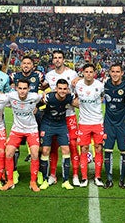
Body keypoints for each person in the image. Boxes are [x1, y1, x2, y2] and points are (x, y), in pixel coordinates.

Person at [43, 50, 80, 186]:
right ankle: (52, 175)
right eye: (55, 58)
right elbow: (44, 90)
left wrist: (80, 78)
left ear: (64, 59)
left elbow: (78, 92)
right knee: (53, 147)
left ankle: (75, 175)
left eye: (60, 57)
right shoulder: (49, 75)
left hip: (69, 115)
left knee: (73, 145)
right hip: (53, 117)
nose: (57, 60)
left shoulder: (72, 74)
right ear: (52, 60)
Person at [0, 79, 43, 192]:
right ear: (16, 88)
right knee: (8, 152)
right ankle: (9, 181)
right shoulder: (11, 96)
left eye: (25, 89)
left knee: (34, 153)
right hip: (17, 130)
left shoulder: (34, 97)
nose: (22, 91)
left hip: (31, 129)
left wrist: (38, 108)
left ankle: (33, 182)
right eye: (20, 88)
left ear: (29, 89)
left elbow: (43, 97)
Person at [38, 79, 75, 190]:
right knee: (45, 151)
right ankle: (45, 179)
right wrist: (41, 99)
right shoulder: (49, 97)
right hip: (47, 125)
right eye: (60, 88)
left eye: (65, 89)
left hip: (61, 125)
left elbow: (78, 100)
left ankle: (65, 181)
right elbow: (38, 104)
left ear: (67, 89)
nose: (62, 91)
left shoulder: (70, 97)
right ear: (56, 89)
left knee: (66, 150)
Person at [74, 63, 105, 187]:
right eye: (86, 72)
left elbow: (103, 98)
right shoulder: (78, 85)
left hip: (97, 122)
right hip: (84, 123)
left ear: (94, 73)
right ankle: (84, 178)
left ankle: (98, 177)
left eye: (91, 72)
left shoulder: (100, 85)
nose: (88, 74)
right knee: (84, 149)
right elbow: (73, 98)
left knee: (98, 148)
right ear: (83, 73)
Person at [102, 63, 125, 189]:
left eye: (117, 71)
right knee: (107, 151)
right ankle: (109, 179)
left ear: (122, 73)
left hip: (122, 124)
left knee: (124, 152)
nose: (115, 74)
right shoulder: (104, 83)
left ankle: (122, 179)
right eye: (112, 71)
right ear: (109, 72)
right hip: (108, 123)